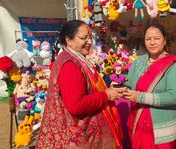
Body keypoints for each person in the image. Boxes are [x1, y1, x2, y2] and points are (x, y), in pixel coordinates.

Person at [37, 20, 123, 148]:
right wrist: (106, 95)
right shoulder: (70, 65)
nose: (89, 42)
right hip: (78, 138)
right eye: (83, 38)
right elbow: (76, 105)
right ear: (68, 40)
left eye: (90, 37)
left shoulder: (73, 58)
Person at [122, 22, 176, 148]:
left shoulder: (173, 65)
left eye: (157, 38)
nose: (152, 42)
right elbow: (130, 84)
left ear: (164, 41)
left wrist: (140, 97)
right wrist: (120, 87)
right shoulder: (138, 62)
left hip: (162, 130)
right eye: (148, 39)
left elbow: (173, 96)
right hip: (138, 121)